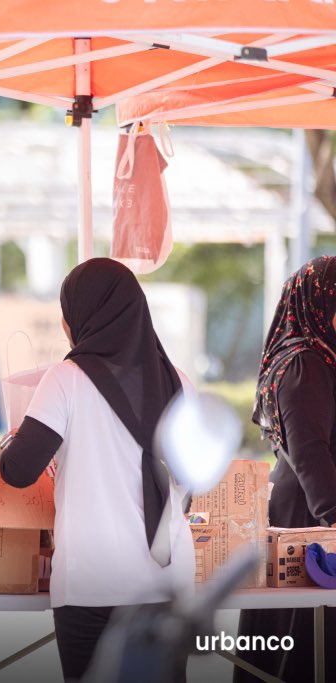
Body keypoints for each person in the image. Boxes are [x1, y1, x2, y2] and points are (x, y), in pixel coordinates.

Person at [0, 258, 194, 681]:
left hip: (93, 581)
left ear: (79, 319)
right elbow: (189, 486)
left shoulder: (65, 379)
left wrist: (8, 443)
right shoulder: (180, 383)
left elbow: (19, 470)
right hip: (168, 581)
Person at [235, 256, 336, 683]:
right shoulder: (302, 366)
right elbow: (311, 456)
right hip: (310, 523)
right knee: (302, 652)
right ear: (318, 301)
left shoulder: (317, 358)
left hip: (310, 518)